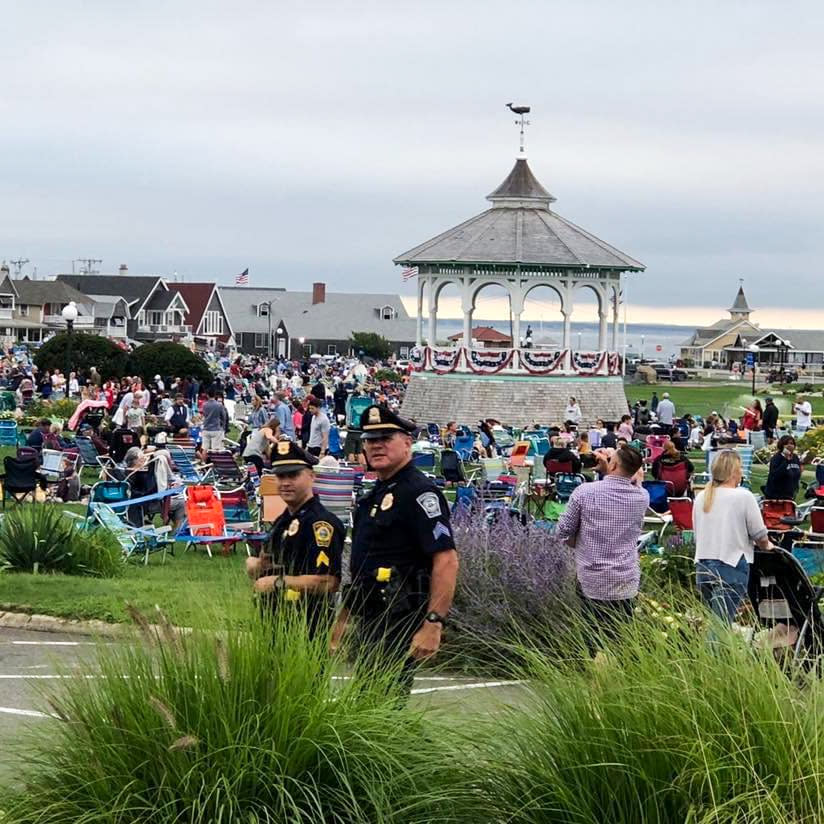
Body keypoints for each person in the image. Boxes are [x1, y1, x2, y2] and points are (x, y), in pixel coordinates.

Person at [331, 405, 459, 695]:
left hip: (399, 616)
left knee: (381, 703)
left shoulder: (418, 492)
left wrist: (434, 623)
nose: (376, 446)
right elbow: (365, 569)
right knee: (371, 702)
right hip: (372, 616)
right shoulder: (377, 493)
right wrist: (342, 622)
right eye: (370, 439)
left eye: (386, 438)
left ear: (407, 442)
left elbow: (447, 560)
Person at [246, 441, 344, 638]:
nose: (286, 483)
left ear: (311, 476)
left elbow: (328, 581)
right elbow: (266, 562)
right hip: (273, 622)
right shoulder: (283, 520)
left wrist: (278, 583)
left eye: (293, 475)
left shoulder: (321, 523)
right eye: (281, 476)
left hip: (306, 627)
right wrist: (256, 565)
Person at [555, 446, 649, 648]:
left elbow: (562, 530)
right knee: (621, 637)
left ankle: (595, 672)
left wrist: (577, 541)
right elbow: (632, 483)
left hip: (592, 575)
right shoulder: (641, 497)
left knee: (592, 636)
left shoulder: (584, 492)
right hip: (625, 577)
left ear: (613, 464)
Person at [694, 449, 774, 622]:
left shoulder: (701, 497)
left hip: (703, 566)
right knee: (720, 627)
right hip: (731, 564)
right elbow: (759, 533)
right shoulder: (743, 496)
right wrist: (767, 546)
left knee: (713, 621)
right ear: (734, 472)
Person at [764, 435, 802, 500]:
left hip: (790, 495)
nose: (789, 445)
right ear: (782, 445)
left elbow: (797, 473)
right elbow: (775, 475)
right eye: (786, 444)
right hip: (776, 496)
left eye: (791, 443)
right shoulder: (777, 458)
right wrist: (786, 459)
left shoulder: (795, 458)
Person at [200, 389, 228, 454]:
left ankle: (203, 462)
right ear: (214, 395)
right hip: (216, 428)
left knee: (205, 448)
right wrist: (223, 427)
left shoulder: (204, 405)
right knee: (215, 449)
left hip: (206, 428)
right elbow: (224, 417)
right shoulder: (219, 405)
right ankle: (215, 462)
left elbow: (204, 415)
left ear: (207, 395)